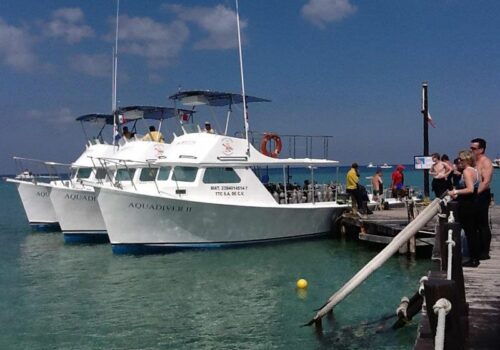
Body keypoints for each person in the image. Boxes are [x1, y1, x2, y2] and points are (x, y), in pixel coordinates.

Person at [450, 150, 480, 267]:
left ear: (466, 160)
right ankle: (474, 257)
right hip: (473, 202)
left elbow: (470, 189)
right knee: (472, 231)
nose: (459, 162)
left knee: (469, 231)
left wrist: (455, 191)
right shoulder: (475, 171)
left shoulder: (467, 171)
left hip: (467, 204)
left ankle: (472, 259)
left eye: (460, 160)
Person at [470, 137, 493, 260]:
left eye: (474, 148)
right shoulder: (474, 162)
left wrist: (476, 194)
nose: (471, 150)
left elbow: (486, 181)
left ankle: (485, 252)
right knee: (473, 223)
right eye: (471, 148)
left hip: (482, 194)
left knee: (482, 223)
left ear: (481, 149)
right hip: (473, 193)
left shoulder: (486, 162)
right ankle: (476, 249)